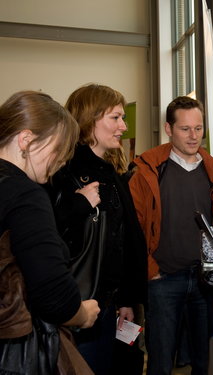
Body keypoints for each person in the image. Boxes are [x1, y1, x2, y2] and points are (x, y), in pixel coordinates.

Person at [128, 95, 213, 375]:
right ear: (168, 129)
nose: (193, 136)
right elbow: (134, 227)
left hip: (206, 281)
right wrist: (151, 270)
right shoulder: (148, 172)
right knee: (161, 362)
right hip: (163, 281)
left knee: (205, 361)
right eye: (185, 129)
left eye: (198, 128)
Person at [48, 84, 147, 375]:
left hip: (109, 306)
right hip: (79, 309)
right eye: (115, 118)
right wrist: (77, 206)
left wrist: (127, 300)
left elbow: (124, 241)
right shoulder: (62, 173)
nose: (123, 126)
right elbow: (46, 239)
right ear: (90, 120)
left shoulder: (109, 173)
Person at [0, 91, 100, 367]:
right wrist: (82, 313)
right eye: (59, 148)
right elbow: (54, 296)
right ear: (26, 140)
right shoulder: (25, 194)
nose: (63, 160)